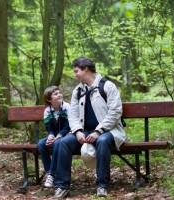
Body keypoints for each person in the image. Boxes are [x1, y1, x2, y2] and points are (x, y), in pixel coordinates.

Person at [53, 56, 126, 198]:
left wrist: (99, 131)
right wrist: (78, 131)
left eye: (76, 71)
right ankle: (62, 186)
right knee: (63, 143)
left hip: (109, 130)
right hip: (84, 131)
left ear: (85, 69)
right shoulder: (77, 91)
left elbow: (116, 112)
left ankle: (102, 185)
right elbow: (72, 115)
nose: (75, 74)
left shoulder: (107, 86)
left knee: (102, 141)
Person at [37, 86, 70, 188]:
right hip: (55, 135)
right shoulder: (47, 111)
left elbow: (68, 126)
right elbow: (49, 127)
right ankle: (50, 172)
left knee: (56, 143)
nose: (59, 94)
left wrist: (59, 136)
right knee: (41, 144)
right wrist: (51, 136)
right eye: (55, 94)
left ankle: (51, 174)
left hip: (67, 135)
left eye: (60, 92)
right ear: (49, 99)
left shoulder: (67, 107)